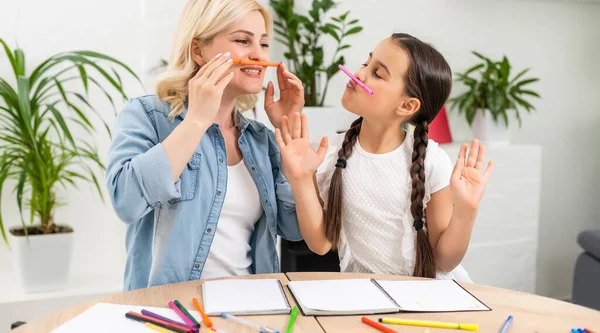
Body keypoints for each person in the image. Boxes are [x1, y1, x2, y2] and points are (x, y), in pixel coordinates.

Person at [105, 0, 305, 291]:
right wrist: (196, 121)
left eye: (263, 43)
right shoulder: (148, 116)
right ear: (198, 50)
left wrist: (288, 132)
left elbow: (295, 230)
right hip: (171, 312)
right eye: (242, 40)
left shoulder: (261, 139)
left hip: (250, 308)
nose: (258, 55)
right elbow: (126, 201)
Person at [275, 33, 494, 281]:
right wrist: (301, 178)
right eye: (367, 63)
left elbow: (444, 260)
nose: (359, 73)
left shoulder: (431, 160)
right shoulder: (332, 154)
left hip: (433, 300)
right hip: (370, 298)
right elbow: (321, 244)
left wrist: (466, 210)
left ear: (407, 106)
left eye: (378, 73)